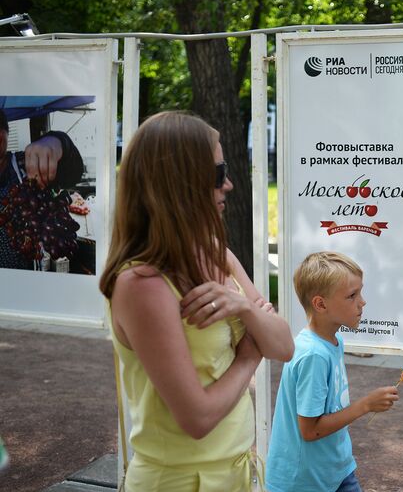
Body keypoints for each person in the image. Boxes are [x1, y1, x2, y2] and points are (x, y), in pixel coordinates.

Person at [98, 111, 294, 491]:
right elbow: (197, 417)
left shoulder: (216, 254)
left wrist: (243, 308)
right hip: (180, 482)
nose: (230, 185)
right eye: (219, 175)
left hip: (235, 472)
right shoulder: (143, 284)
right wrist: (249, 357)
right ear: (180, 185)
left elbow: (284, 345)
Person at [266, 251, 399, 492]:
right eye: (352, 295)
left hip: (336, 471)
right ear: (320, 304)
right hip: (304, 482)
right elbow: (310, 429)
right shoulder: (313, 355)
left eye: (360, 292)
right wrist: (366, 405)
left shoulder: (333, 341)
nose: (362, 301)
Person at [0, 108, 83, 269]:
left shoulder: (26, 164)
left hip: (26, 276)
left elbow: (73, 173)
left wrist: (58, 142)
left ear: (7, 132)